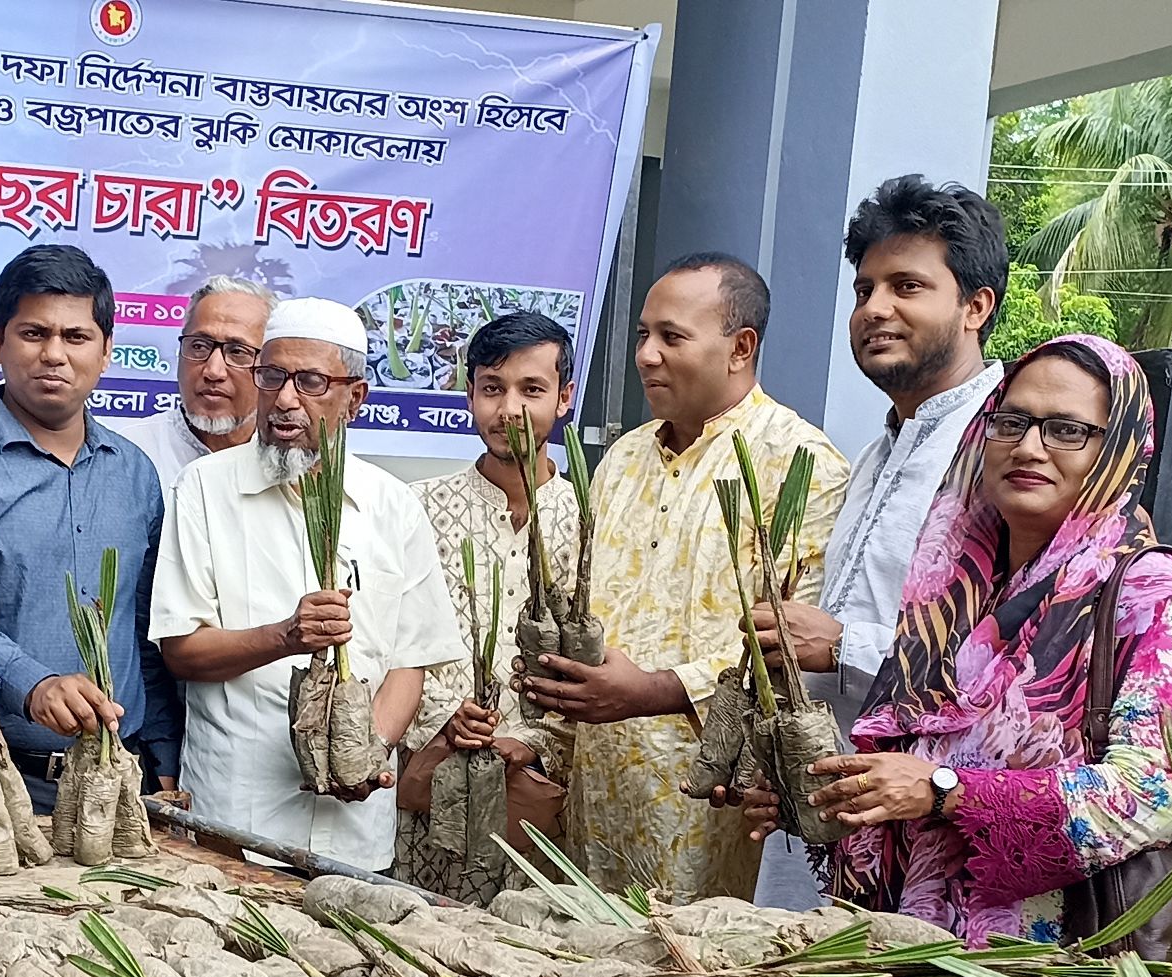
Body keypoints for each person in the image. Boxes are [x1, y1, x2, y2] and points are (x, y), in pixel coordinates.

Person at [751, 336, 1172, 947]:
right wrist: (823, 797)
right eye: (1012, 421)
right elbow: (909, 764)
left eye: (1067, 431)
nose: (1029, 447)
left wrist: (943, 793)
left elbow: (1151, 796)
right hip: (891, 949)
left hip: (1042, 969)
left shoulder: (1158, 595)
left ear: (1122, 448)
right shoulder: (951, 589)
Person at [509, 253, 848, 900]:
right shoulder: (623, 458)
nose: (645, 355)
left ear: (739, 347)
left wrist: (652, 691)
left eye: (671, 336)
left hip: (712, 806)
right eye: (642, 334)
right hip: (595, 801)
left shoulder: (799, 465)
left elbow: (789, 644)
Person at [750, 178, 1011, 909]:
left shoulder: (1001, 448)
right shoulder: (875, 451)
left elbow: (1019, 655)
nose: (874, 310)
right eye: (864, 289)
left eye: (907, 286)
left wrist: (845, 646)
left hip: (931, 817)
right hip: (832, 801)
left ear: (974, 305)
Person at [153, 296, 461, 869]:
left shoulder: (393, 506)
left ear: (356, 398)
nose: (285, 400)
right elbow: (182, 650)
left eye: (311, 382)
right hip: (235, 824)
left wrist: (364, 753)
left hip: (357, 831)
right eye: (272, 377)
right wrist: (285, 636)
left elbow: (410, 663)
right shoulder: (202, 489)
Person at [0, 245, 177, 808]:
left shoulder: (135, 474)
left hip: (118, 780)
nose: (54, 355)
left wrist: (162, 753)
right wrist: (31, 684)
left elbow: (145, 629)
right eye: (33, 333)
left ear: (106, 349)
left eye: (76, 337)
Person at [396, 310, 577, 880]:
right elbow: (393, 645)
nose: (509, 411)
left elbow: (598, 660)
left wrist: (535, 742)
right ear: (468, 393)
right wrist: (444, 725)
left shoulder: (593, 518)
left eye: (532, 389)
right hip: (431, 785)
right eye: (492, 389)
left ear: (565, 398)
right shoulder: (415, 509)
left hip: (542, 800)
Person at [106, 275, 273, 510]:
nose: (213, 371)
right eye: (199, 346)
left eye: (238, 351)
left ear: (270, 367)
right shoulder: (129, 454)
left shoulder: (287, 460)